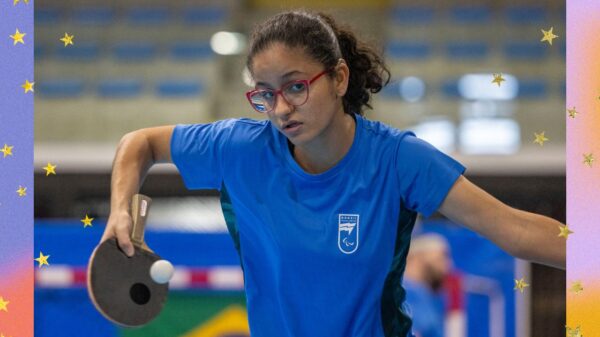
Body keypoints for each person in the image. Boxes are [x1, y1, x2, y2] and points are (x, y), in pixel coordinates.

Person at [99, 10, 565, 337]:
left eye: (296, 87)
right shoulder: (240, 149)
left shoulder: (398, 160)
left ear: (339, 78)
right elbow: (139, 143)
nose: (280, 108)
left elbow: (516, 229)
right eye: (264, 94)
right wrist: (119, 212)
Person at [403, 234, 463, 337]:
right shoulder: (403, 295)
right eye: (442, 257)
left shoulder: (424, 297)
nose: (449, 266)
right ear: (417, 257)